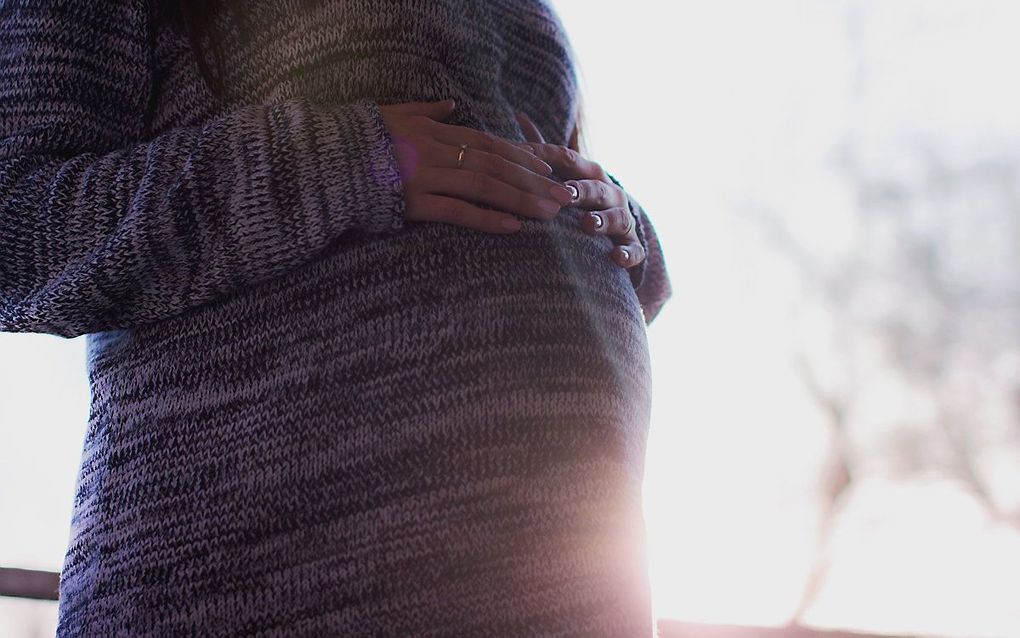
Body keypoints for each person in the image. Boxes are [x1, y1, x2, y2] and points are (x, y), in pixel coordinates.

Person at [0, 0, 672, 635]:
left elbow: (509, 170)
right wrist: (355, 161)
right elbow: (18, 226)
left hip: (564, 554)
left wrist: (618, 224)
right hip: (259, 565)